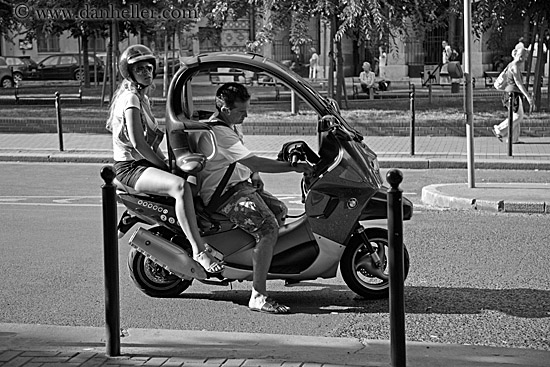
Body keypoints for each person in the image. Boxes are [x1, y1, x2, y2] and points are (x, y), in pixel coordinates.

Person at [106, 44, 224, 276]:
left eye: (149, 68)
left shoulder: (143, 99)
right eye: (140, 69)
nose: (147, 72)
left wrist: (170, 162)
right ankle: (199, 251)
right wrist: (163, 167)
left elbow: (152, 144)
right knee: (179, 187)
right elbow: (139, 145)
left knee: (192, 177)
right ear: (129, 73)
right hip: (131, 168)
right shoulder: (130, 99)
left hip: (143, 163)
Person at [196, 83, 314, 314]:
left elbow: (243, 161)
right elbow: (255, 160)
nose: (246, 115)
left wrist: (254, 175)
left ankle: (266, 263)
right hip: (225, 195)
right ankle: (258, 295)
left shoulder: (229, 125)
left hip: (239, 186)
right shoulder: (219, 132)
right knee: (268, 227)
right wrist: (293, 167)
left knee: (279, 210)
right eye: (241, 111)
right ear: (224, 108)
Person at [492, 45, 534, 144]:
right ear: (521, 57)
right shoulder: (514, 67)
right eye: (525, 56)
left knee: (516, 116)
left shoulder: (512, 65)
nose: (526, 58)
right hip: (513, 94)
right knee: (518, 116)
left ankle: (513, 139)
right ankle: (499, 129)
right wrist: (528, 96)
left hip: (510, 93)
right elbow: (518, 83)